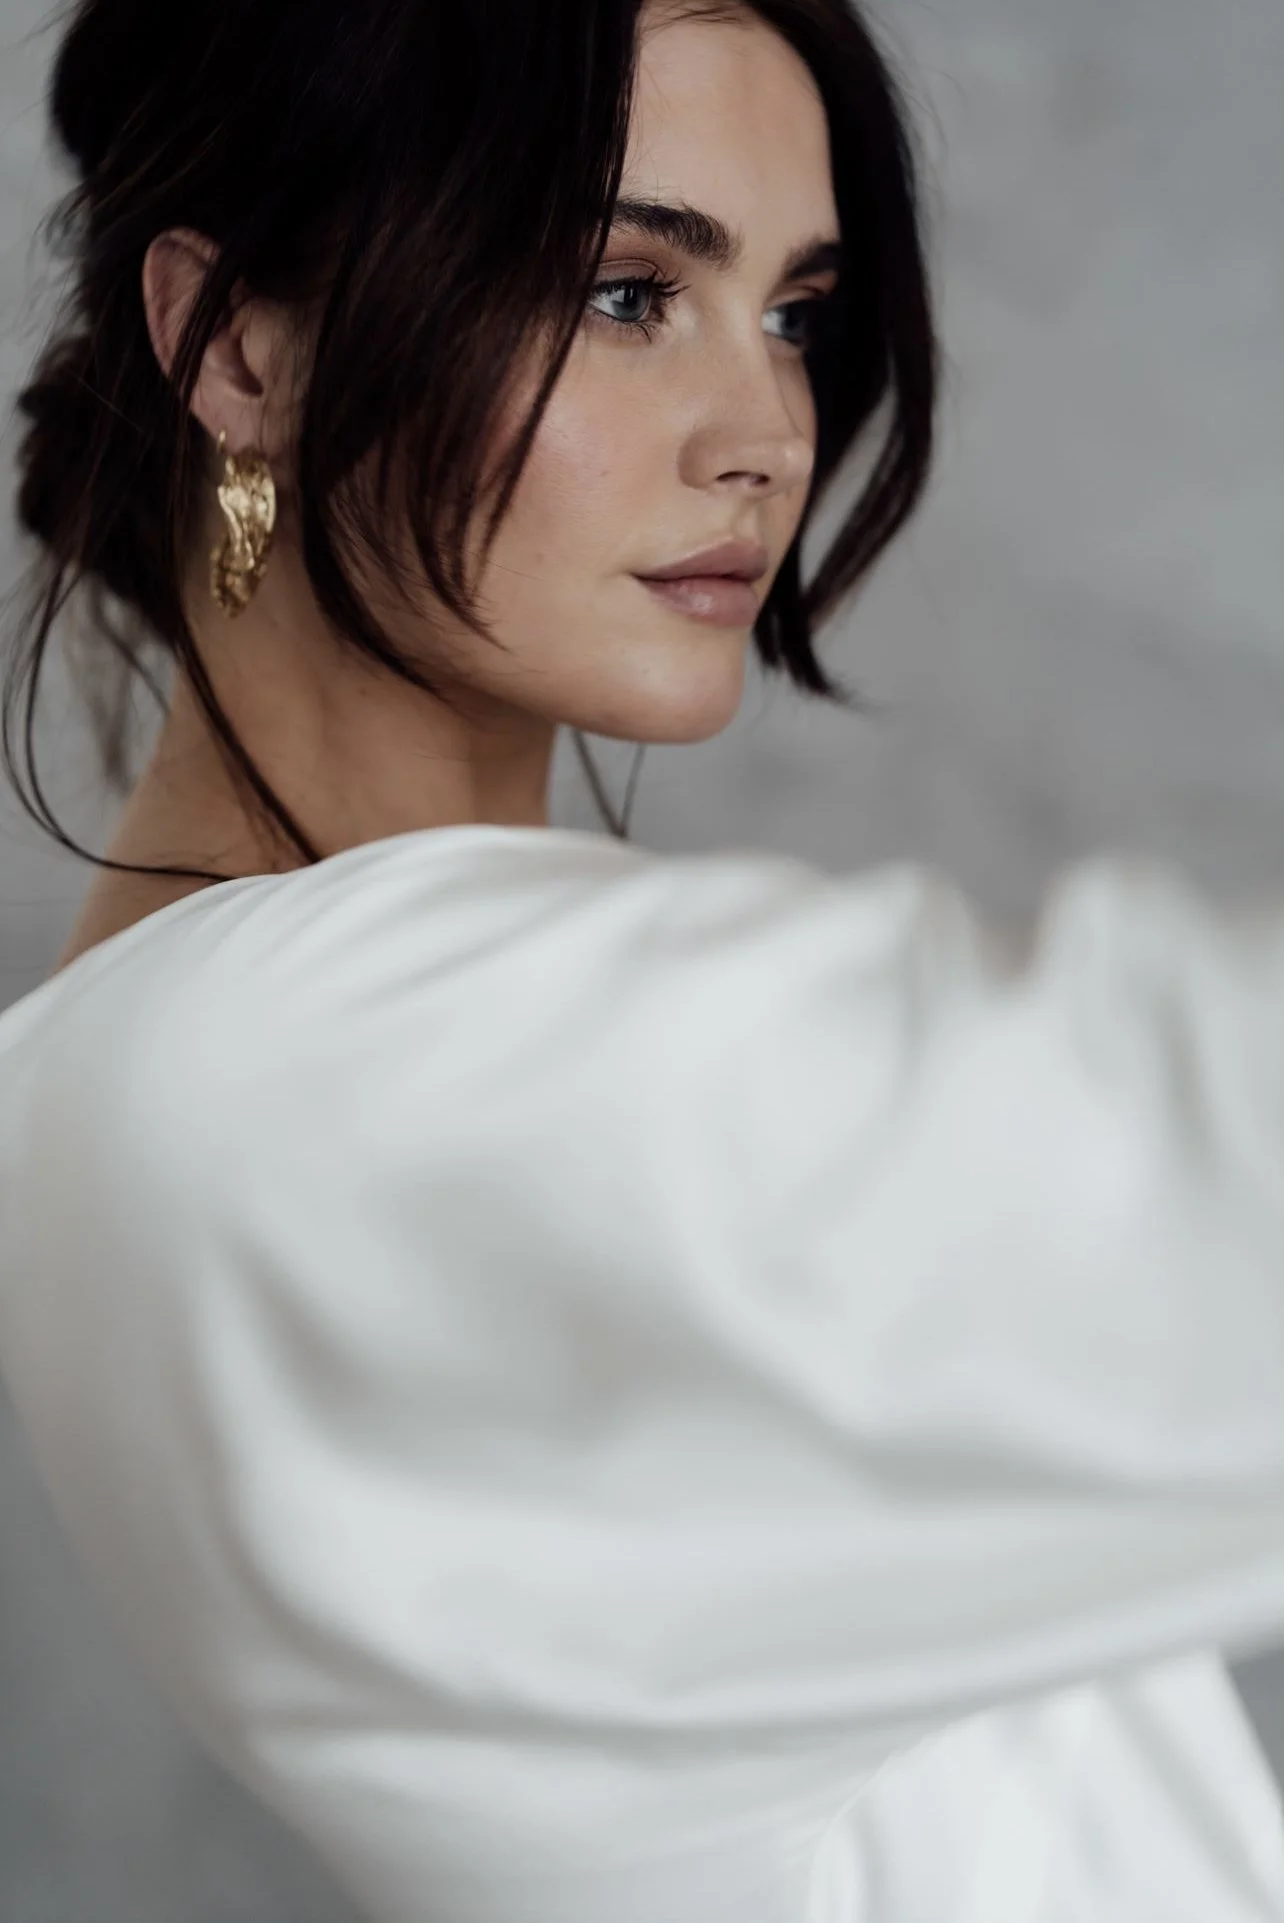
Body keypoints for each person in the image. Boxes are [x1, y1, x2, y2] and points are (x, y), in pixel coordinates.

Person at [0, 0, 1281, 1917]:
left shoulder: (168, 1064)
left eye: (794, 311)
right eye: (623, 292)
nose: (767, 432)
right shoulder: (326, 1082)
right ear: (240, 345)